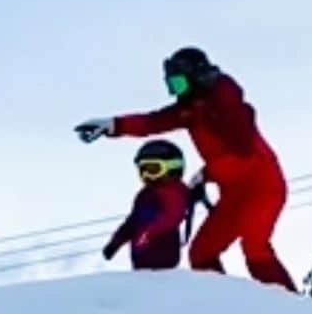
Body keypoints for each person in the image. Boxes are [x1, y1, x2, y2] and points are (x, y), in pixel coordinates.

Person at [77, 48, 297, 291]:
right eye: (171, 85)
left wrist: (206, 174)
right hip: (232, 194)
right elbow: (152, 122)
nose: (175, 92)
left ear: (198, 77)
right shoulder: (190, 109)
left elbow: (245, 153)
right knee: (202, 252)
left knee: (255, 246)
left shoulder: (227, 104)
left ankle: (292, 307)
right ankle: (225, 303)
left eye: (179, 84)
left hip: (263, 188)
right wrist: (112, 125)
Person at [103, 140, 191, 271]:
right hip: (142, 259)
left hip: (163, 260)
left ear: (173, 167)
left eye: (153, 169)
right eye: (142, 170)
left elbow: (172, 216)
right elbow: (133, 221)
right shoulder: (145, 194)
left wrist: (147, 234)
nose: (146, 175)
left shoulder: (174, 192)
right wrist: (116, 242)